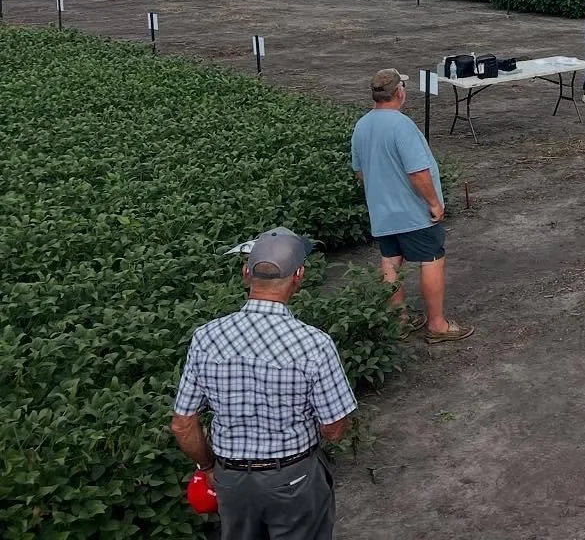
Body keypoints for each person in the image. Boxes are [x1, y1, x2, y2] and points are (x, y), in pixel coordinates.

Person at [172, 227, 357, 538]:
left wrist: (208, 467)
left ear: (246, 273)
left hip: (231, 480)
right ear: (299, 275)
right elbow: (335, 428)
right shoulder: (313, 343)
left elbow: (182, 423)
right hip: (293, 478)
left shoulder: (206, 337)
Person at [351, 69, 471, 343]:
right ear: (400, 93)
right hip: (412, 213)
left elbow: (360, 172)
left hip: (382, 212)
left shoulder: (362, 126)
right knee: (431, 260)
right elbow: (418, 172)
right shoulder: (402, 126)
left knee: (391, 262)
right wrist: (434, 203)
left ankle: (400, 321)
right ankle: (438, 325)